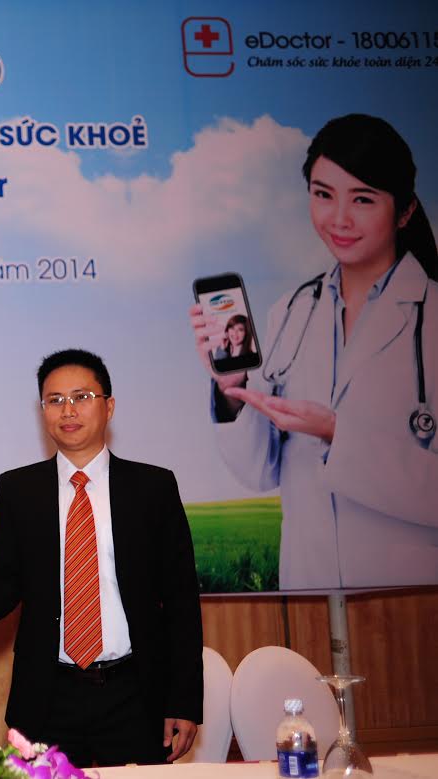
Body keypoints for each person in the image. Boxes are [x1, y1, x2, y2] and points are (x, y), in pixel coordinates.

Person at [0, 349, 203, 768]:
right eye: (55, 400)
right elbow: (2, 586)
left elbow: (181, 600)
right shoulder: (19, 489)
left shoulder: (152, 487)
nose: (68, 410)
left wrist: (184, 700)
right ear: (42, 410)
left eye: (81, 397)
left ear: (109, 406)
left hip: (136, 695)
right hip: (48, 697)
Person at [189, 113, 438, 589]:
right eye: (323, 195)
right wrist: (232, 389)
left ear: (405, 211)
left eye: (363, 199)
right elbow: (260, 472)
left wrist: (335, 433)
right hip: (309, 586)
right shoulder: (291, 311)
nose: (338, 219)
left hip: (411, 597)